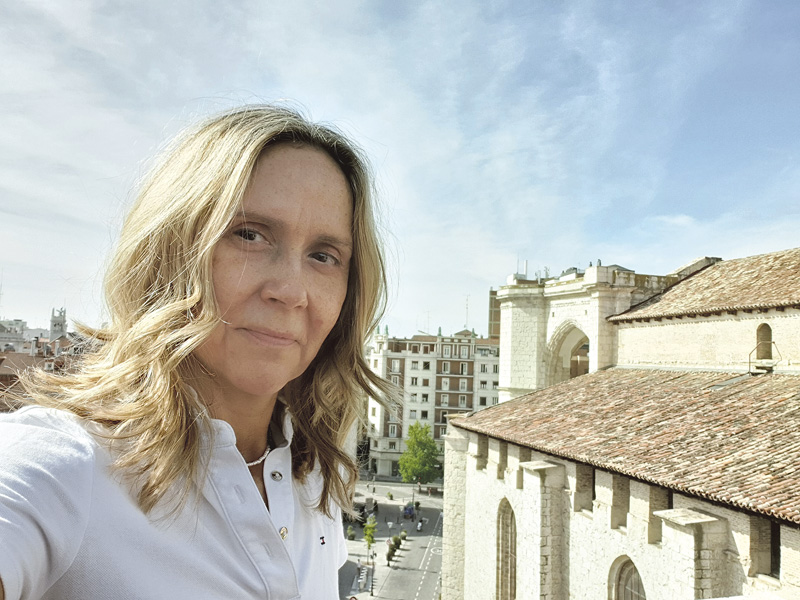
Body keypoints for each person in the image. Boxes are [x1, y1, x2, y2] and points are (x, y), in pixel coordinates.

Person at [0, 105, 393, 600]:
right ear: (169, 252)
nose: (292, 291)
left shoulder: (313, 477)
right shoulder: (65, 469)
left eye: (323, 255)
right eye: (249, 235)